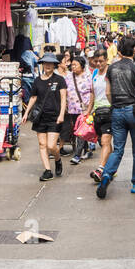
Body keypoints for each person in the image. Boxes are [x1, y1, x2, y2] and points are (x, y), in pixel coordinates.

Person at [97, 35, 135, 198]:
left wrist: (115, 104)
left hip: (116, 111)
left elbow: (108, 92)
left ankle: (106, 175)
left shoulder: (111, 68)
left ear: (120, 51)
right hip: (133, 112)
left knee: (119, 149)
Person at [22, 52, 67, 181]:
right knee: (42, 145)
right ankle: (48, 170)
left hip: (54, 117)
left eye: (50, 63)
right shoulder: (37, 80)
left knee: (51, 146)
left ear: (54, 65)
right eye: (45, 63)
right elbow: (33, 97)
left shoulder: (59, 80)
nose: (47, 65)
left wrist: (61, 114)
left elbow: (64, 98)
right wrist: (26, 113)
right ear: (42, 64)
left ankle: (57, 159)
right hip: (40, 117)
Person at [87, 48, 115, 183]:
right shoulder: (94, 74)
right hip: (97, 113)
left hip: (110, 111)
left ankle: (100, 169)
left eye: (101, 61)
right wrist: (88, 111)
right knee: (105, 143)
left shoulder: (111, 72)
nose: (98, 64)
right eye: (96, 61)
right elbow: (92, 93)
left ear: (106, 60)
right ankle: (111, 167)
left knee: (105, 142)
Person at [64, 55, 93, 164]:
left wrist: (90, 108)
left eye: (75, 65)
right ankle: (88, 149)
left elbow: (92, 93)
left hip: (84, 109)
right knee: (78, 131)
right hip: (72, 109)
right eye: (72, 65)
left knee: (81, 131)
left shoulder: (87, 77)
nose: (73, 67)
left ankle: (77, 155)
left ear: (82, 66)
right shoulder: (68, 76)